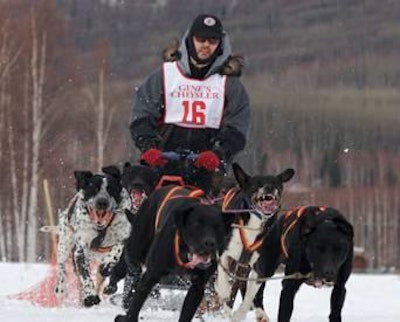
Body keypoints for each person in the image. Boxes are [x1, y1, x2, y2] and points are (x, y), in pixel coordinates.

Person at [129, 13, 250, 194]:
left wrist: (219, 153)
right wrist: (148, 146)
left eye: (212, 40)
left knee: (220, 211)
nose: (206, 45)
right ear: (190, 39)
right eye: (201, 39)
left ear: (220, 44)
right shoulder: (165, 75)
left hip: (207, 168)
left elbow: (237, 128)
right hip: (162, 162)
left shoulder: (229, 84)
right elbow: (143, 115)